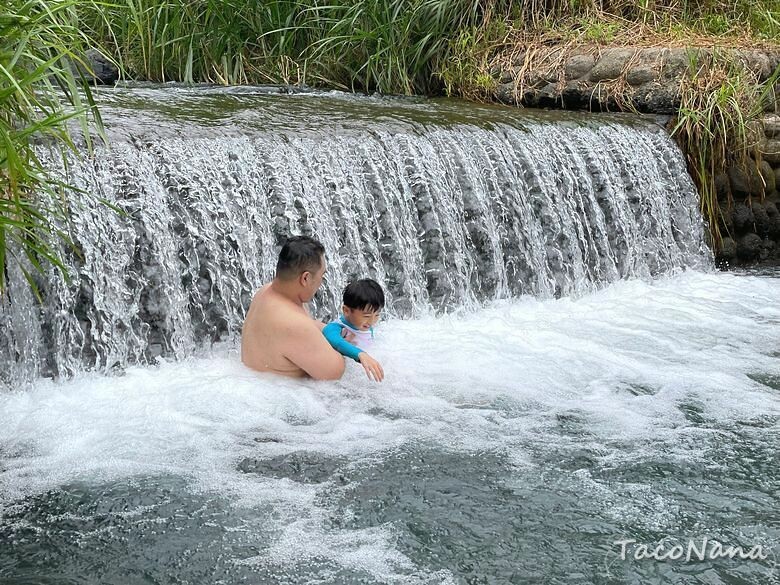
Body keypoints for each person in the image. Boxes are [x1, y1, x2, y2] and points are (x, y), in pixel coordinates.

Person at [241, 236, 345, 380]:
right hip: (282, 397)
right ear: (305, 278)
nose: (322, 281)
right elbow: (334, 372)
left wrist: (334, 329)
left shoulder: (265, 293)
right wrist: (348, 344)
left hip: (262, 387)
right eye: (322, 275)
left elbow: (302, 329)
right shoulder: (293, 323)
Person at [322, 279, 385, 382]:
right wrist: (361, 354)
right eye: (367, 316)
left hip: (366, 373)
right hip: (344, 379)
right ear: (346, 311)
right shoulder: (337, 327)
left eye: (377, 315)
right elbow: (335, 341)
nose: (372, 321)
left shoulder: (364, 325)